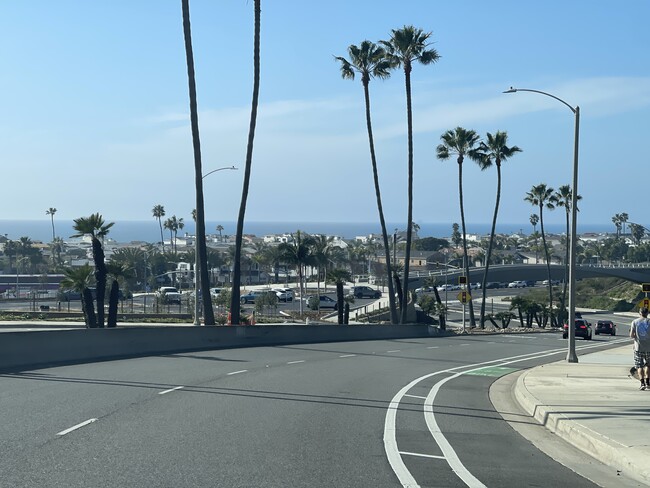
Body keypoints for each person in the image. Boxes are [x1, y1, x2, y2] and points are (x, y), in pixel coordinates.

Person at [630, 307, 650, 390]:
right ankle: (648, 383)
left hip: (638, 347)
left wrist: (636, 339)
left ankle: (642, 383)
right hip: (649, 347)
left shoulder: (635, 322)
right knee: (648, 365)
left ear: (640, 313)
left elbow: (631, 335)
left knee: (639, 366)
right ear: (647, 313)